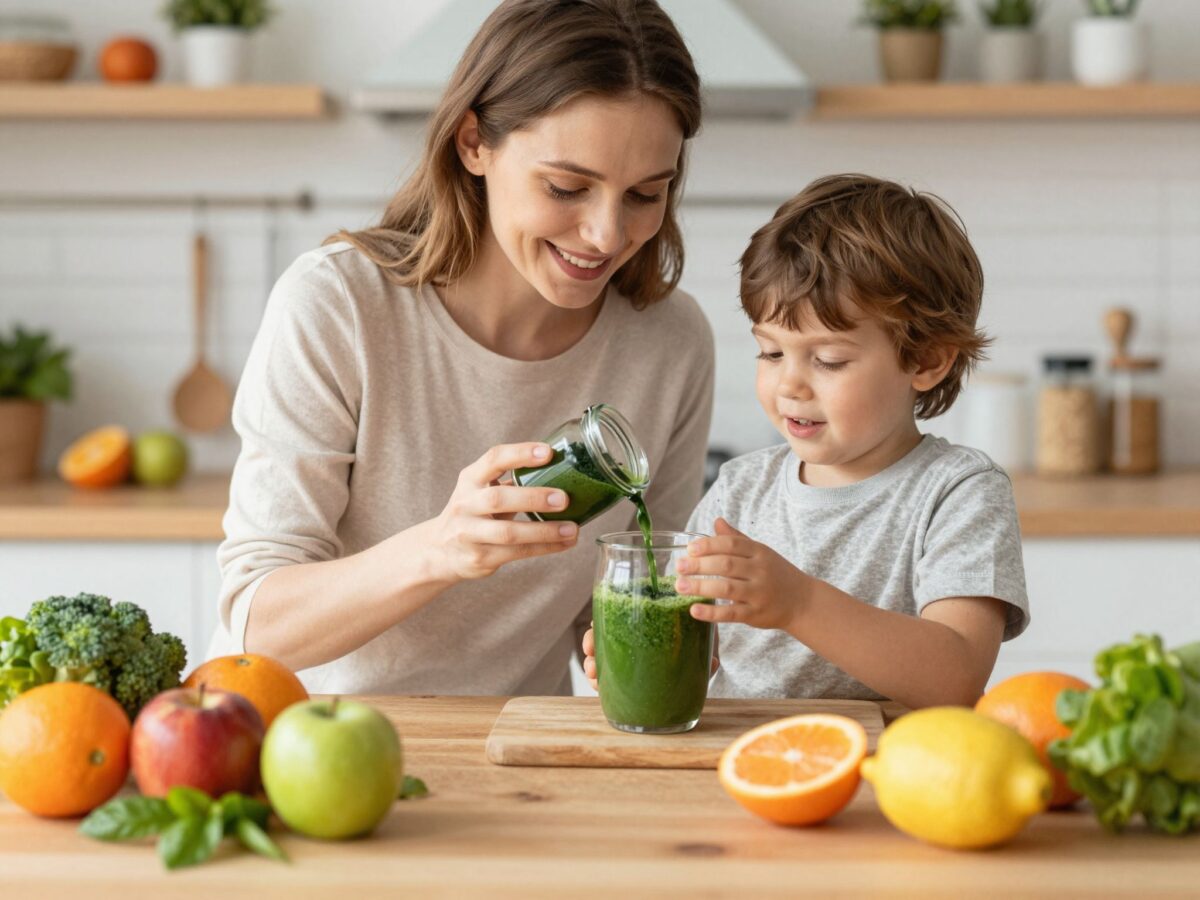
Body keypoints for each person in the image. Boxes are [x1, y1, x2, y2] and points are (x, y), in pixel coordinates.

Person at [209, 0, 714, 696]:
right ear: (473, 142)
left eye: (645, 194)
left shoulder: (670, 343)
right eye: (567, 186)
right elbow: (255, 623)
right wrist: (441, 548)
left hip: (517, 761)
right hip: (307, 748)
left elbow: (623, 588)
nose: (605, 234)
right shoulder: (340, 307)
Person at [584, 174, 1029, 710]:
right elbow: (707, 639)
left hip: (886, 775)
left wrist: (798, 602)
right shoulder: (740, 489)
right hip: (742, 766)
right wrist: (645, 651)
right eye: (771, 353)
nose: (789, 385)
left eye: (828, 360)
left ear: (927, 360)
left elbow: (956, 677)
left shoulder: (957, 493)